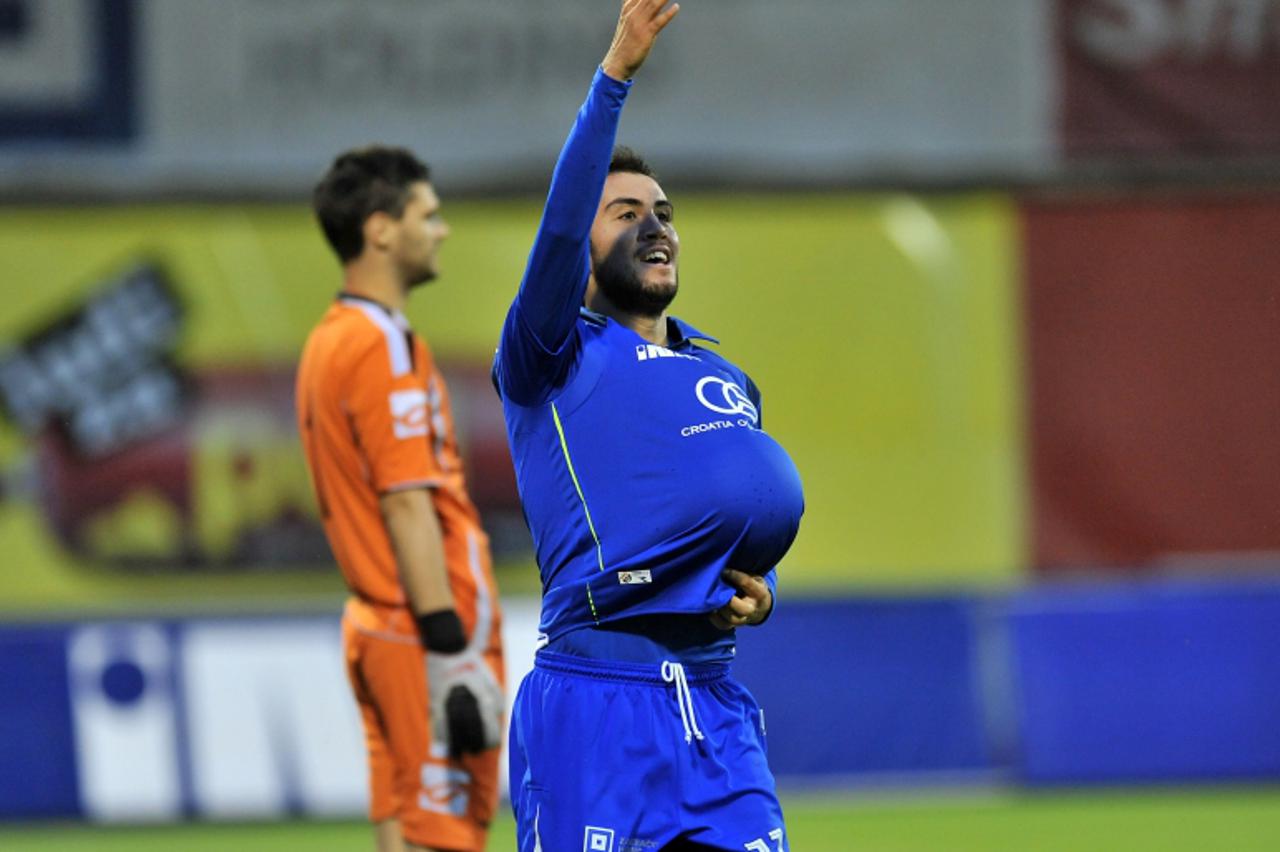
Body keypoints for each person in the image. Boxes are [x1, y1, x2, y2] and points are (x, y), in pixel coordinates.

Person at [493, 2, 804, 850]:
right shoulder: (549, 358)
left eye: (662, 211)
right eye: (624, 212)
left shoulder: (723, 376)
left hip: (712, 704)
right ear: (582, 255)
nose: (654, 223)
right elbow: (558, 231)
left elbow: (725, 515)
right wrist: (615, 77)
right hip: (597, 700)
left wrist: (756, 592)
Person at [297, 146, 504, 852]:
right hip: (422, 624)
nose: (441, 230)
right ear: (380, 230)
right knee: (443, 831)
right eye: (429, 214)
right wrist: (448, 645)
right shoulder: (381, 345)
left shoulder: (328, 340)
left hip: (375, 621)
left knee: (403, 826)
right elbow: (407, 499)